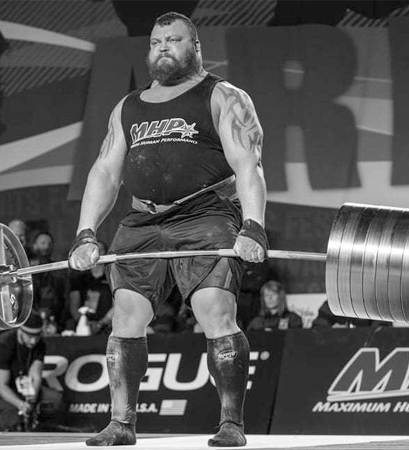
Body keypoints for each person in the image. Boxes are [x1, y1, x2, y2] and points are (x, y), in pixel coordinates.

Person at [69, 12, 266, 447]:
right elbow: (104, 171)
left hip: (205, 214)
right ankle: (121, 424)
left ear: (195, 47)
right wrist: (86, 233)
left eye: (173, 40)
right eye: (156, 41)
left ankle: (231, 424)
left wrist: (253, 227)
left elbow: (248, 165)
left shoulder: (222, 96)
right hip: (142, 220)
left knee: (215, 310)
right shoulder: (129, 106)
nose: (162, 47)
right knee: (125, 315)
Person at [0, 314, 50, 432]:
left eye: (37, 336)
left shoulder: (40, 344)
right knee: (15, 418)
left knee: (54, 400)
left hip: (21, 389)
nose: (34, 341)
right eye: (29, 336)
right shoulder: (1, 345)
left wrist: (32, 398)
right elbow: (1, 386)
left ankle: (37, 426)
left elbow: (36, 375)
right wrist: (21, 404)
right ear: (20, 330)